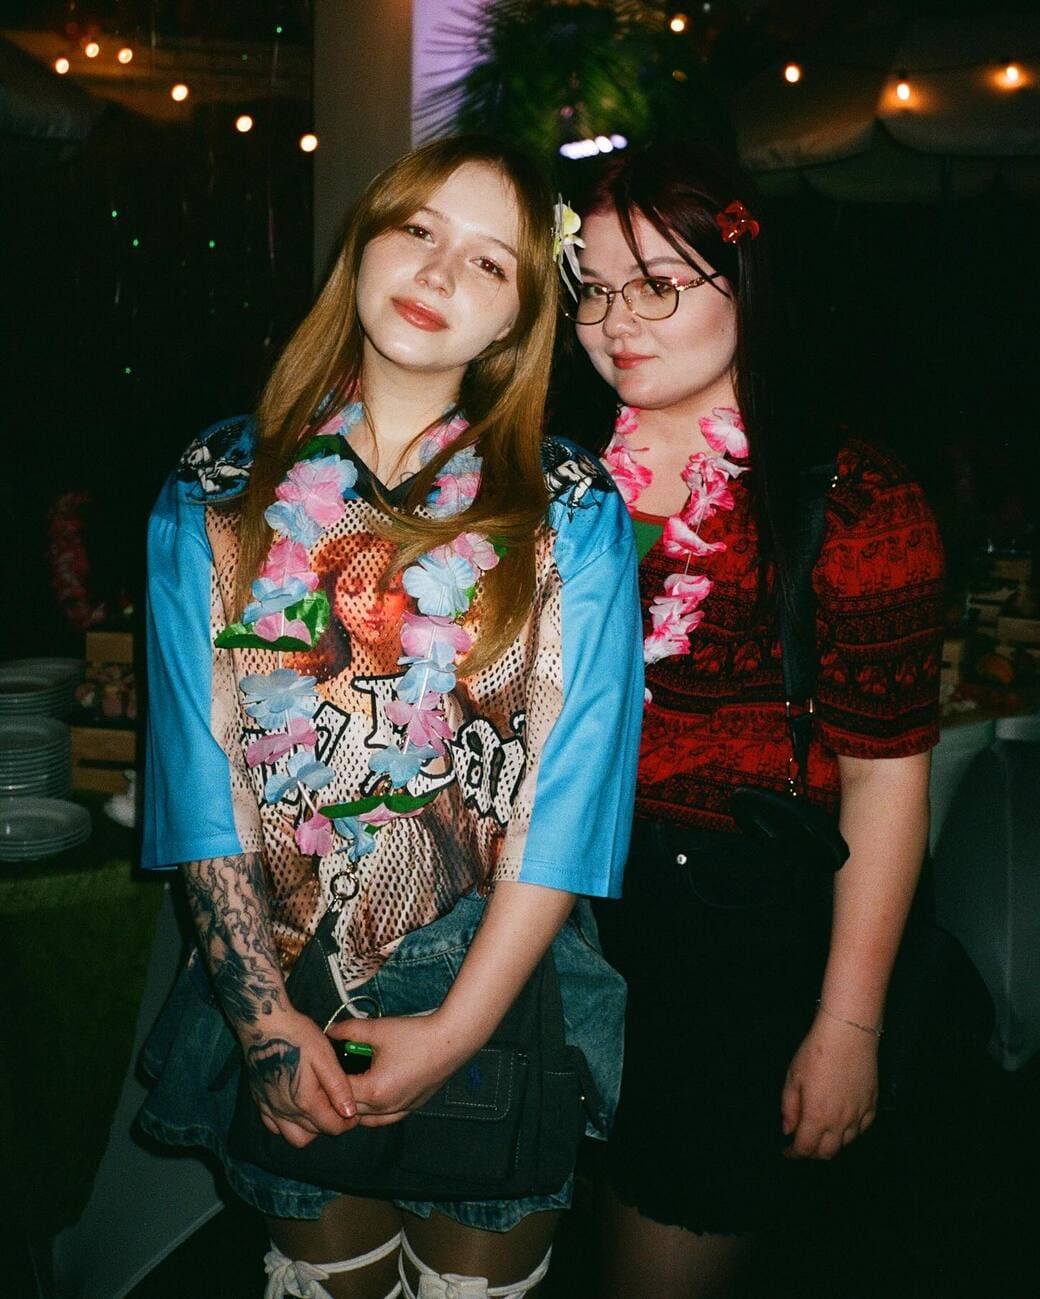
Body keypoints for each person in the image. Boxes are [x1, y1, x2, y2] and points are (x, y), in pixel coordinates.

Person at [137, 135, 643, 1299]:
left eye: (488, 262)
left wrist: (455, 1032)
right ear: (362, 244)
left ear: (517, 318)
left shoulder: (567, 507)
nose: (437, 272)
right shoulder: (218, 486)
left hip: (493, 978)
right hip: (279, 970)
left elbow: (566, 805)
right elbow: (202, 775)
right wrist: (264, 1027)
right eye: (418, 230)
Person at [554, 143, 945, 1297]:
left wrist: (847, 1025)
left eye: (656, 285)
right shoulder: (558, 480)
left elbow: (885, 777)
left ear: (744, 282)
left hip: (727, 940)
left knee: (660, 1249)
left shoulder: (851, 498)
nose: (614, 322)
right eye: (591, 288)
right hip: (552, 910)